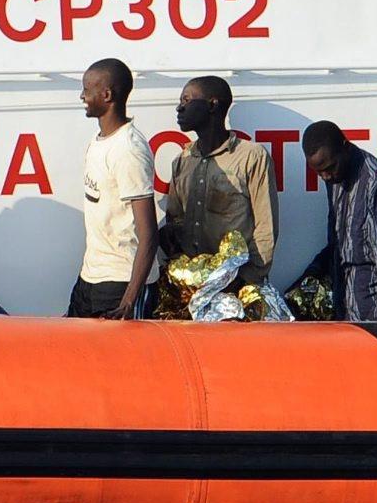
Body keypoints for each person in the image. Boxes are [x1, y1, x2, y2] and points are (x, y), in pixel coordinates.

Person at [158, 74, 276, 277]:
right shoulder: (182, 160)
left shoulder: (251, 156)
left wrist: (248, 278)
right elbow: (175, 219)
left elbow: (266, 228)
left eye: (186, 100)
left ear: (212, 105)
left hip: (236, 283)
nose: (179, 108)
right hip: (192, 283)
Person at [298, 121, 377, 324]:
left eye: (329, 168)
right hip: (344, 313)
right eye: (319, 173)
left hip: (373, 317)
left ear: (346, 147)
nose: (326, 176)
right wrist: (311, 275)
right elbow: (339, 246)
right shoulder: (334, 180)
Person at [72, 59, 155, 320]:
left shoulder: (129, 150)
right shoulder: (99, 141)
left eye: (87, 90)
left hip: (120, 284)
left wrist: (129, 300)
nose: (82, 96)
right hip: (90, 278)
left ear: (107, 95)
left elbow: (149, 234)